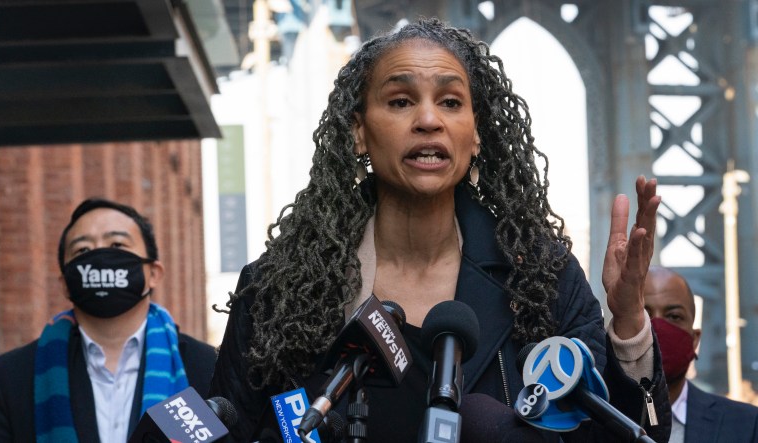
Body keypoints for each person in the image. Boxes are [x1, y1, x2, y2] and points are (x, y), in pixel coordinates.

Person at [209, 18, 671, 442]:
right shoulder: (280, 287)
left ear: (475, 135)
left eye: (450, 102)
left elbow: (627, 436)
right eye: (400, 101)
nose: (428, 120)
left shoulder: (543, 278)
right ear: (359, 132)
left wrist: (629, 320)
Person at [0, 198, 217, 443]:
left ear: (153, 273)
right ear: (65, 283)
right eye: (82, 250)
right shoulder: (9, 379)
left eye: (117, 244)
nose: (99, 257)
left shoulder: (208, 370)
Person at [644, 265, 758, 442]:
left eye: (674, 316)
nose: (656, 327)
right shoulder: (591, 420)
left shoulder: (747, 425)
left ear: (695, 339)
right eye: (643, 315)